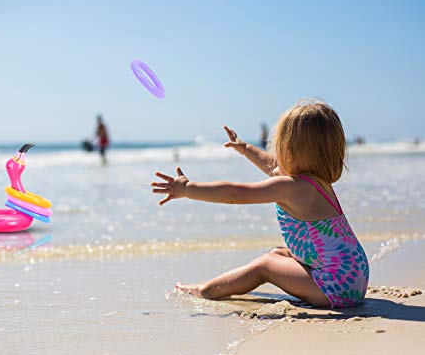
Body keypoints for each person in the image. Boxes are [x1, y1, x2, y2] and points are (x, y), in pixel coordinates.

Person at [151, 100, 369, 309]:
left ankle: (205, 290)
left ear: (289, 150)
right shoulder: (317, 183)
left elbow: (236, 194)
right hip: (353, 276)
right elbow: (273, 166)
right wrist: (245, 148)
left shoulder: (293, 187)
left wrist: (188, 189)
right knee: (278, 254)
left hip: (335, 287)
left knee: (265, 265)